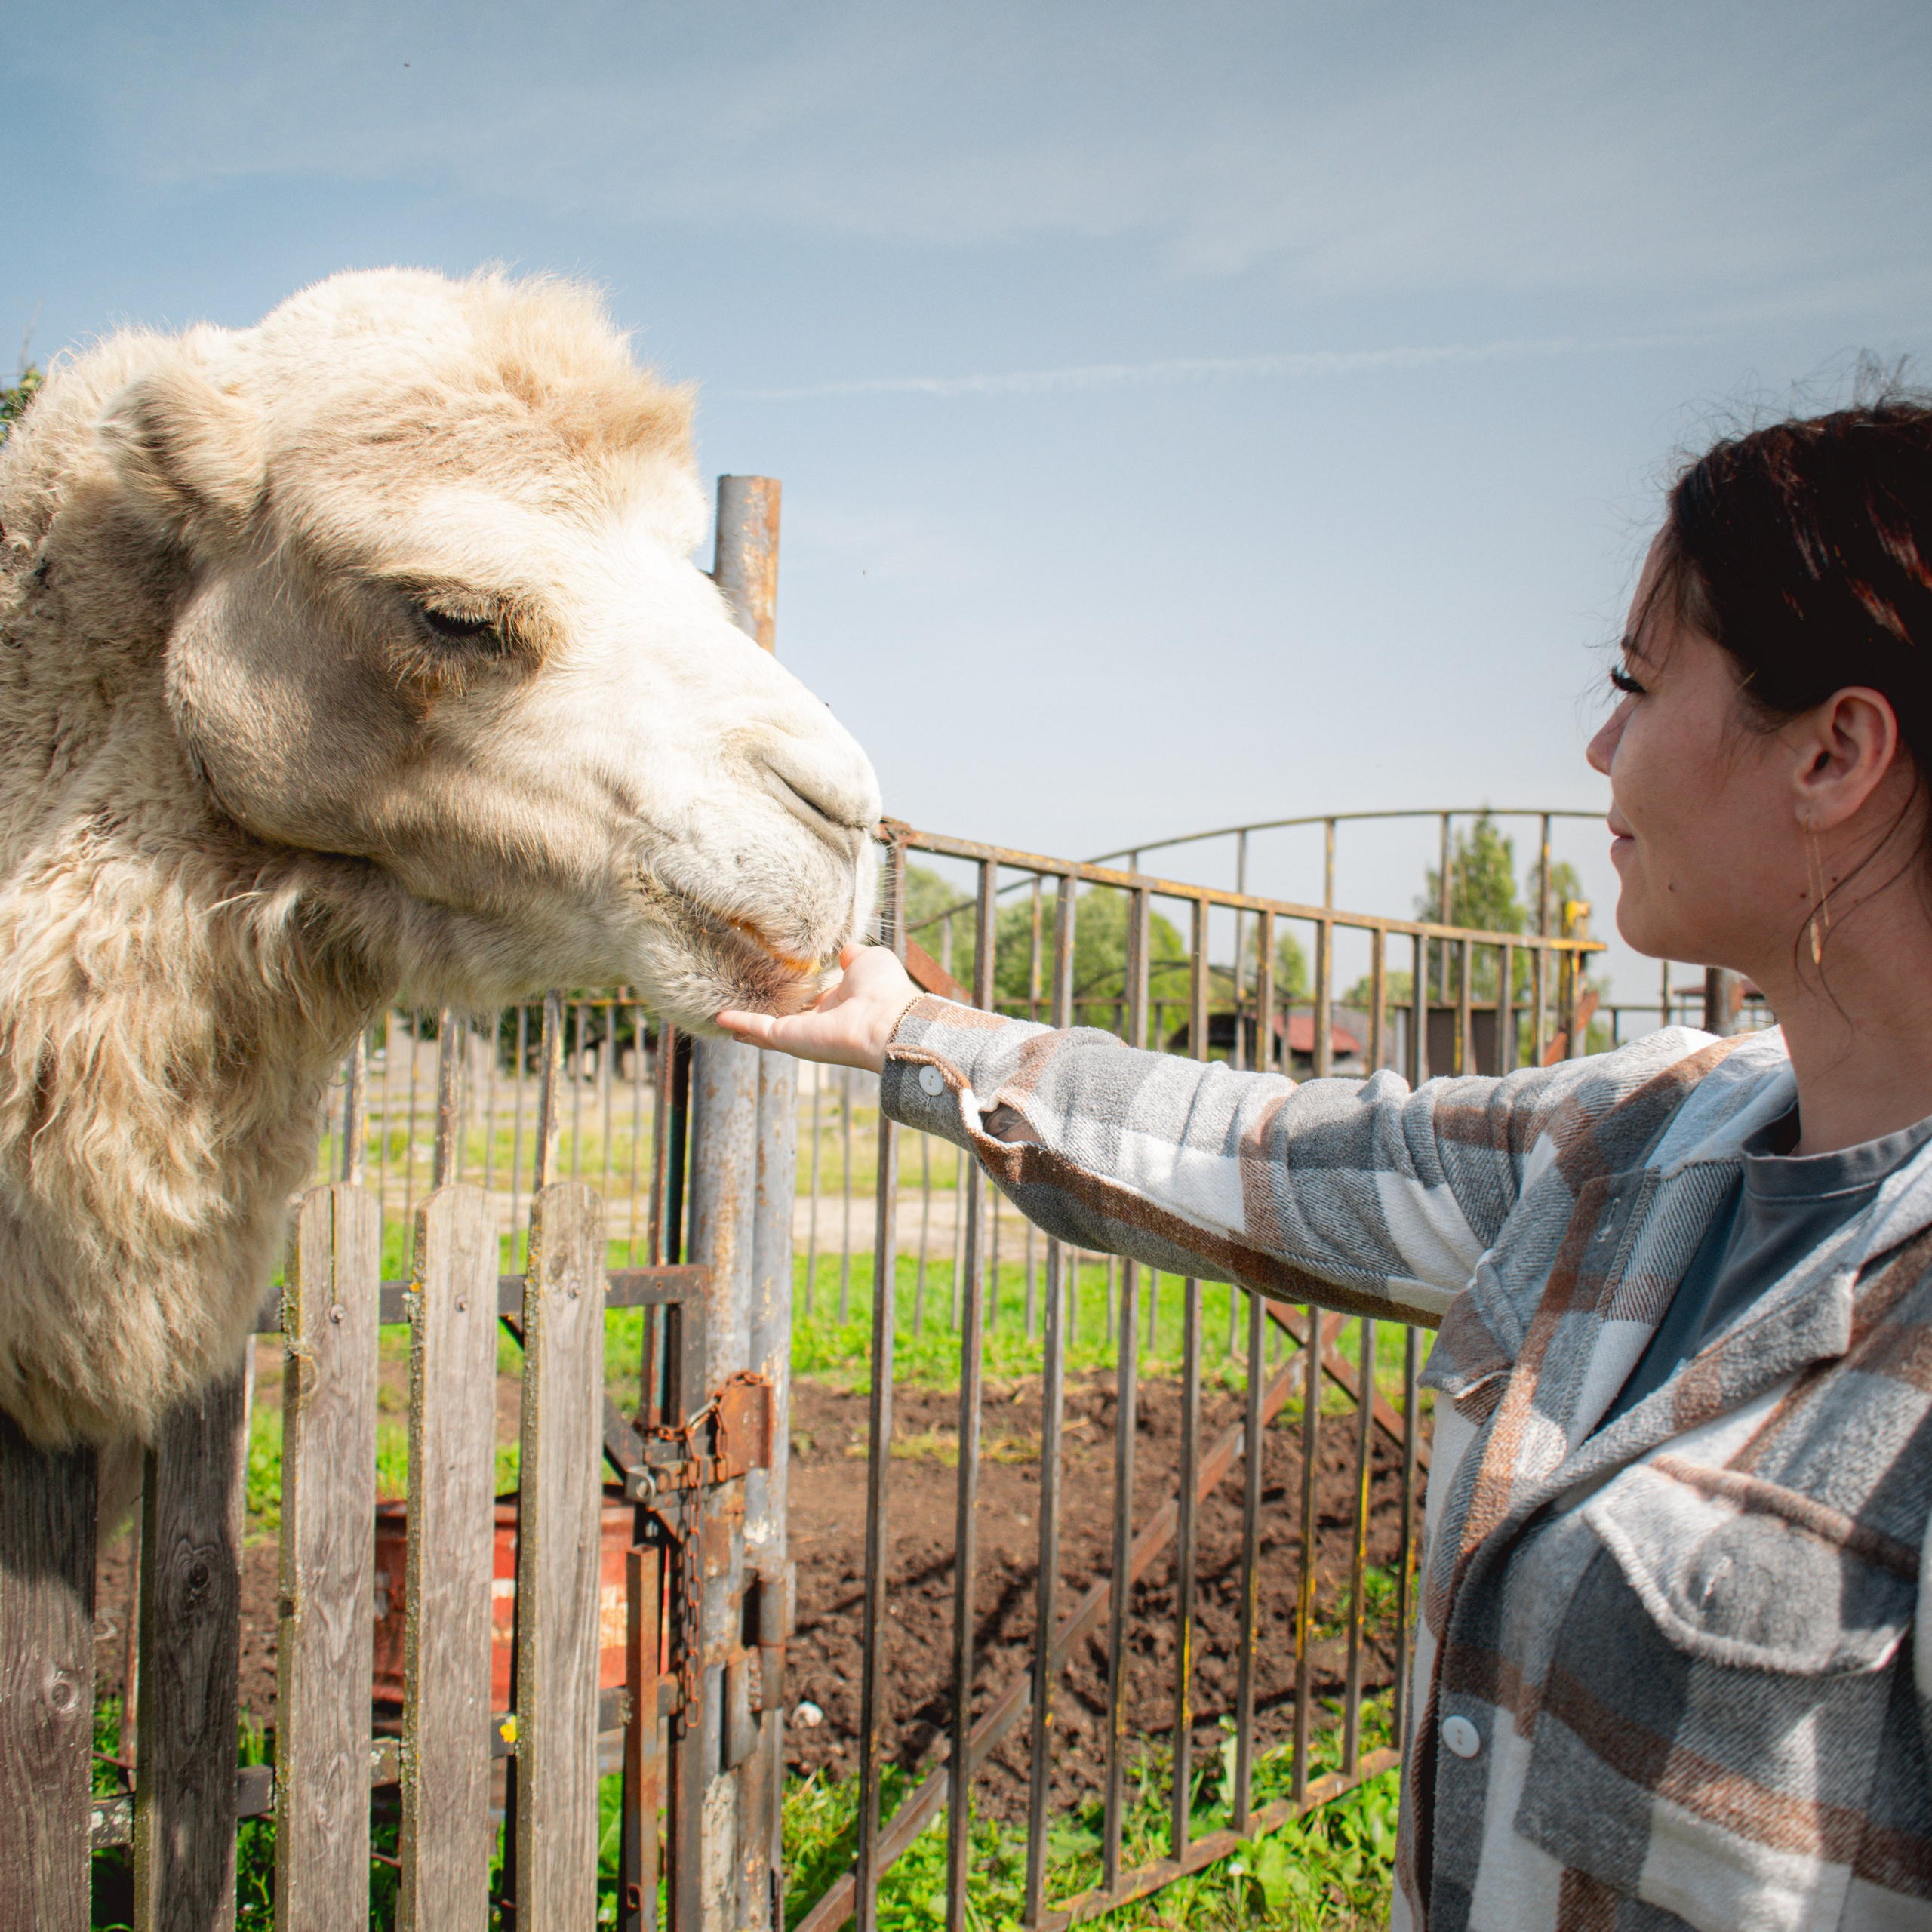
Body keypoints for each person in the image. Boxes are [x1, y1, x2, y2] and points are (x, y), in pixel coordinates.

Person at [721, 399, 1932, 1930]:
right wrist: (911, 1026)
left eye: (1635, 681)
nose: (1596, 742)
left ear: (1832, 749)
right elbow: (1259, 1145)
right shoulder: (1629, 1139)